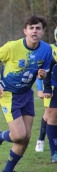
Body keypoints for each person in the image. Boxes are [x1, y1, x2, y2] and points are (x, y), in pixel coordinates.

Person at [0, 15, 52, 172]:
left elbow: (43, 72)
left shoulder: (46, 50)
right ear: (25, 31)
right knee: (18, 135)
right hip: (8, 94)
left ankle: (8, 170)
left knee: (26, 137)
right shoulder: (13, 47)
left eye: (38, 28)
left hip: (26, 93)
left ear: (43, 31)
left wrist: (41, 76)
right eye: (31, 28)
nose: (34, 31)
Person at [35, 27, 57, 162]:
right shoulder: (50, 49)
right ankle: (51, 149)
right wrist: (41, 89)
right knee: (50, 116)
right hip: (52, 88)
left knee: (48, 116)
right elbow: (42, 71)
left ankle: (42, 139)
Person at [34, 78, 47, 152]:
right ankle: (41, 140)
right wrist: (40, 88)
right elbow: (41, 69)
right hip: (51, 85)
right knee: (49, 113)